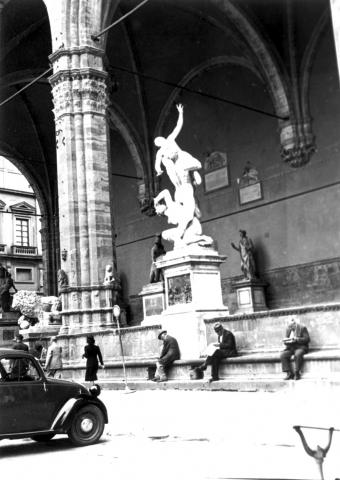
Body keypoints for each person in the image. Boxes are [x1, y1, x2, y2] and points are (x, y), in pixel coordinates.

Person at [154, 104, 203, 243]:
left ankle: (181, 234)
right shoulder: (162, 154)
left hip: (186, 187)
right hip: (180, 189)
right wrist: (158, 169)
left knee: (192, 214)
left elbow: (178, 127)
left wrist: (180, 113)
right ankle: (182, 234)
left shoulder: (172, 143)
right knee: (190, 214)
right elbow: (158, 161)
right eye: (159, 145)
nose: (165, 151)